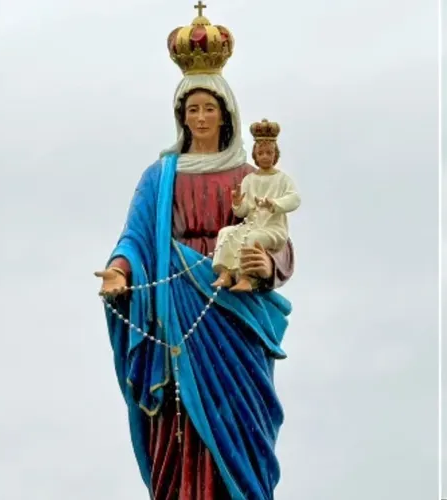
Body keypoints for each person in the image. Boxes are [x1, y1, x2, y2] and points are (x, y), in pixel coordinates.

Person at [93, 8, 293, 499]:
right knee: (181, 417)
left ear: (226, 113)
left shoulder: (251, 176)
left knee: (239, 417)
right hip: (174, 310)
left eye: (209, 109)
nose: (200, 118)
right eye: (191, 110)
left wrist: (266, 265)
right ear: (181, 116)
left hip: (235, 310)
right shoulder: (160, 177)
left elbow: (278, 236)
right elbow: (135, 238)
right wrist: (119, 273)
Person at [212, 119, 300, 292]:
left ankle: (247, 278)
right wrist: (238, 203)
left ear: (275, 155)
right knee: (226, 233)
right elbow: (244, 210)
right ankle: (226, 273)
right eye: (262, 153)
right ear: (256, 156)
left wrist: (274, 204)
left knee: (253, 240)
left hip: (272, 228)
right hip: (252, 225)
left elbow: (294, 199)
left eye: (269, 153)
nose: (265, 156)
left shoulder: (282, 180)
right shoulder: (249, 180)